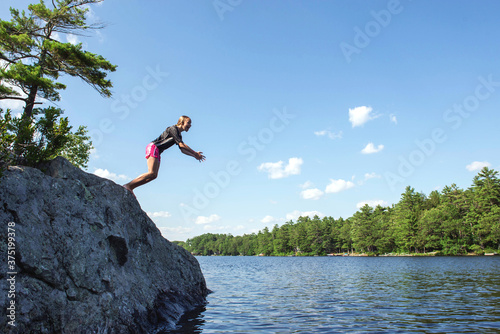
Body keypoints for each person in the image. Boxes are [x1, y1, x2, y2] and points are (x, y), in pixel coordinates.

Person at [123, 115, 205, 195]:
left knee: (154, 175)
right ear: (182, 122)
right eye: (188, 123)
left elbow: (182, 150)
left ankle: (131, 187)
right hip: (154, 147)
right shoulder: (173, 129)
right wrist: (195, 153)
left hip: (158, 151)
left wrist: (194, 156)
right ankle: (128, 185)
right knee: (151, 172)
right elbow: (182, 145)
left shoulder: (179, 135)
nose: (190, 125)